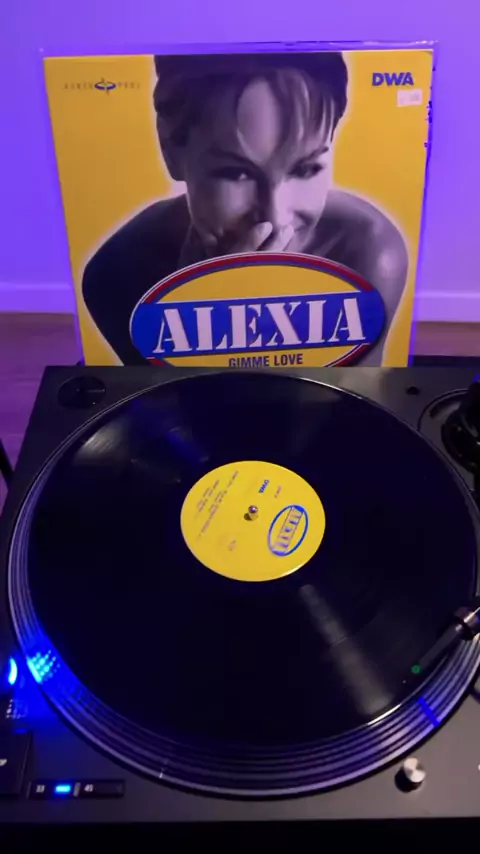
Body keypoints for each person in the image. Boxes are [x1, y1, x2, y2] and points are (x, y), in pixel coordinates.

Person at [83, 52, 408, 365]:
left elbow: (344, 399)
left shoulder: (369, 256)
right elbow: (174, 400)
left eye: (306, 169)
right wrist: (196, 307)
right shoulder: (117, 275)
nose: (275, 219)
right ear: (171, 149)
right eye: (236, 173)